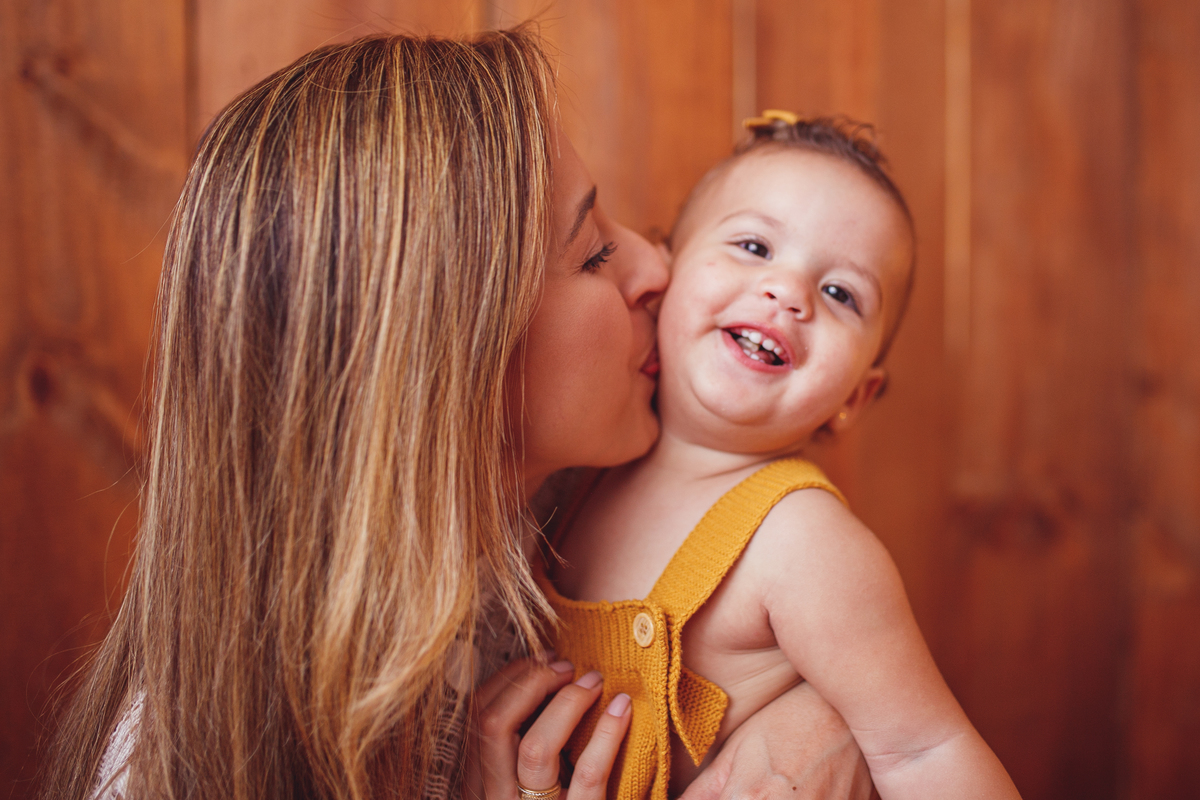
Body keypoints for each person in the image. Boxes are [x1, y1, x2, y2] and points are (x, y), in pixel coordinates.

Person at [38, 33, 872, 800]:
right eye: (593, 253)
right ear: (447, 362)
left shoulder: (577, 503)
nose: (659, 262)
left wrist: (832, 725)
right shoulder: (177, 770)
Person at [535, 112, 1023, 800]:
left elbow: (926, 751)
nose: (788, 295)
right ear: (668, 274)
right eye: (755, 246)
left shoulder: (803, 542)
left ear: (858, 394)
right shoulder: (576, 476)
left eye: (839, 293)